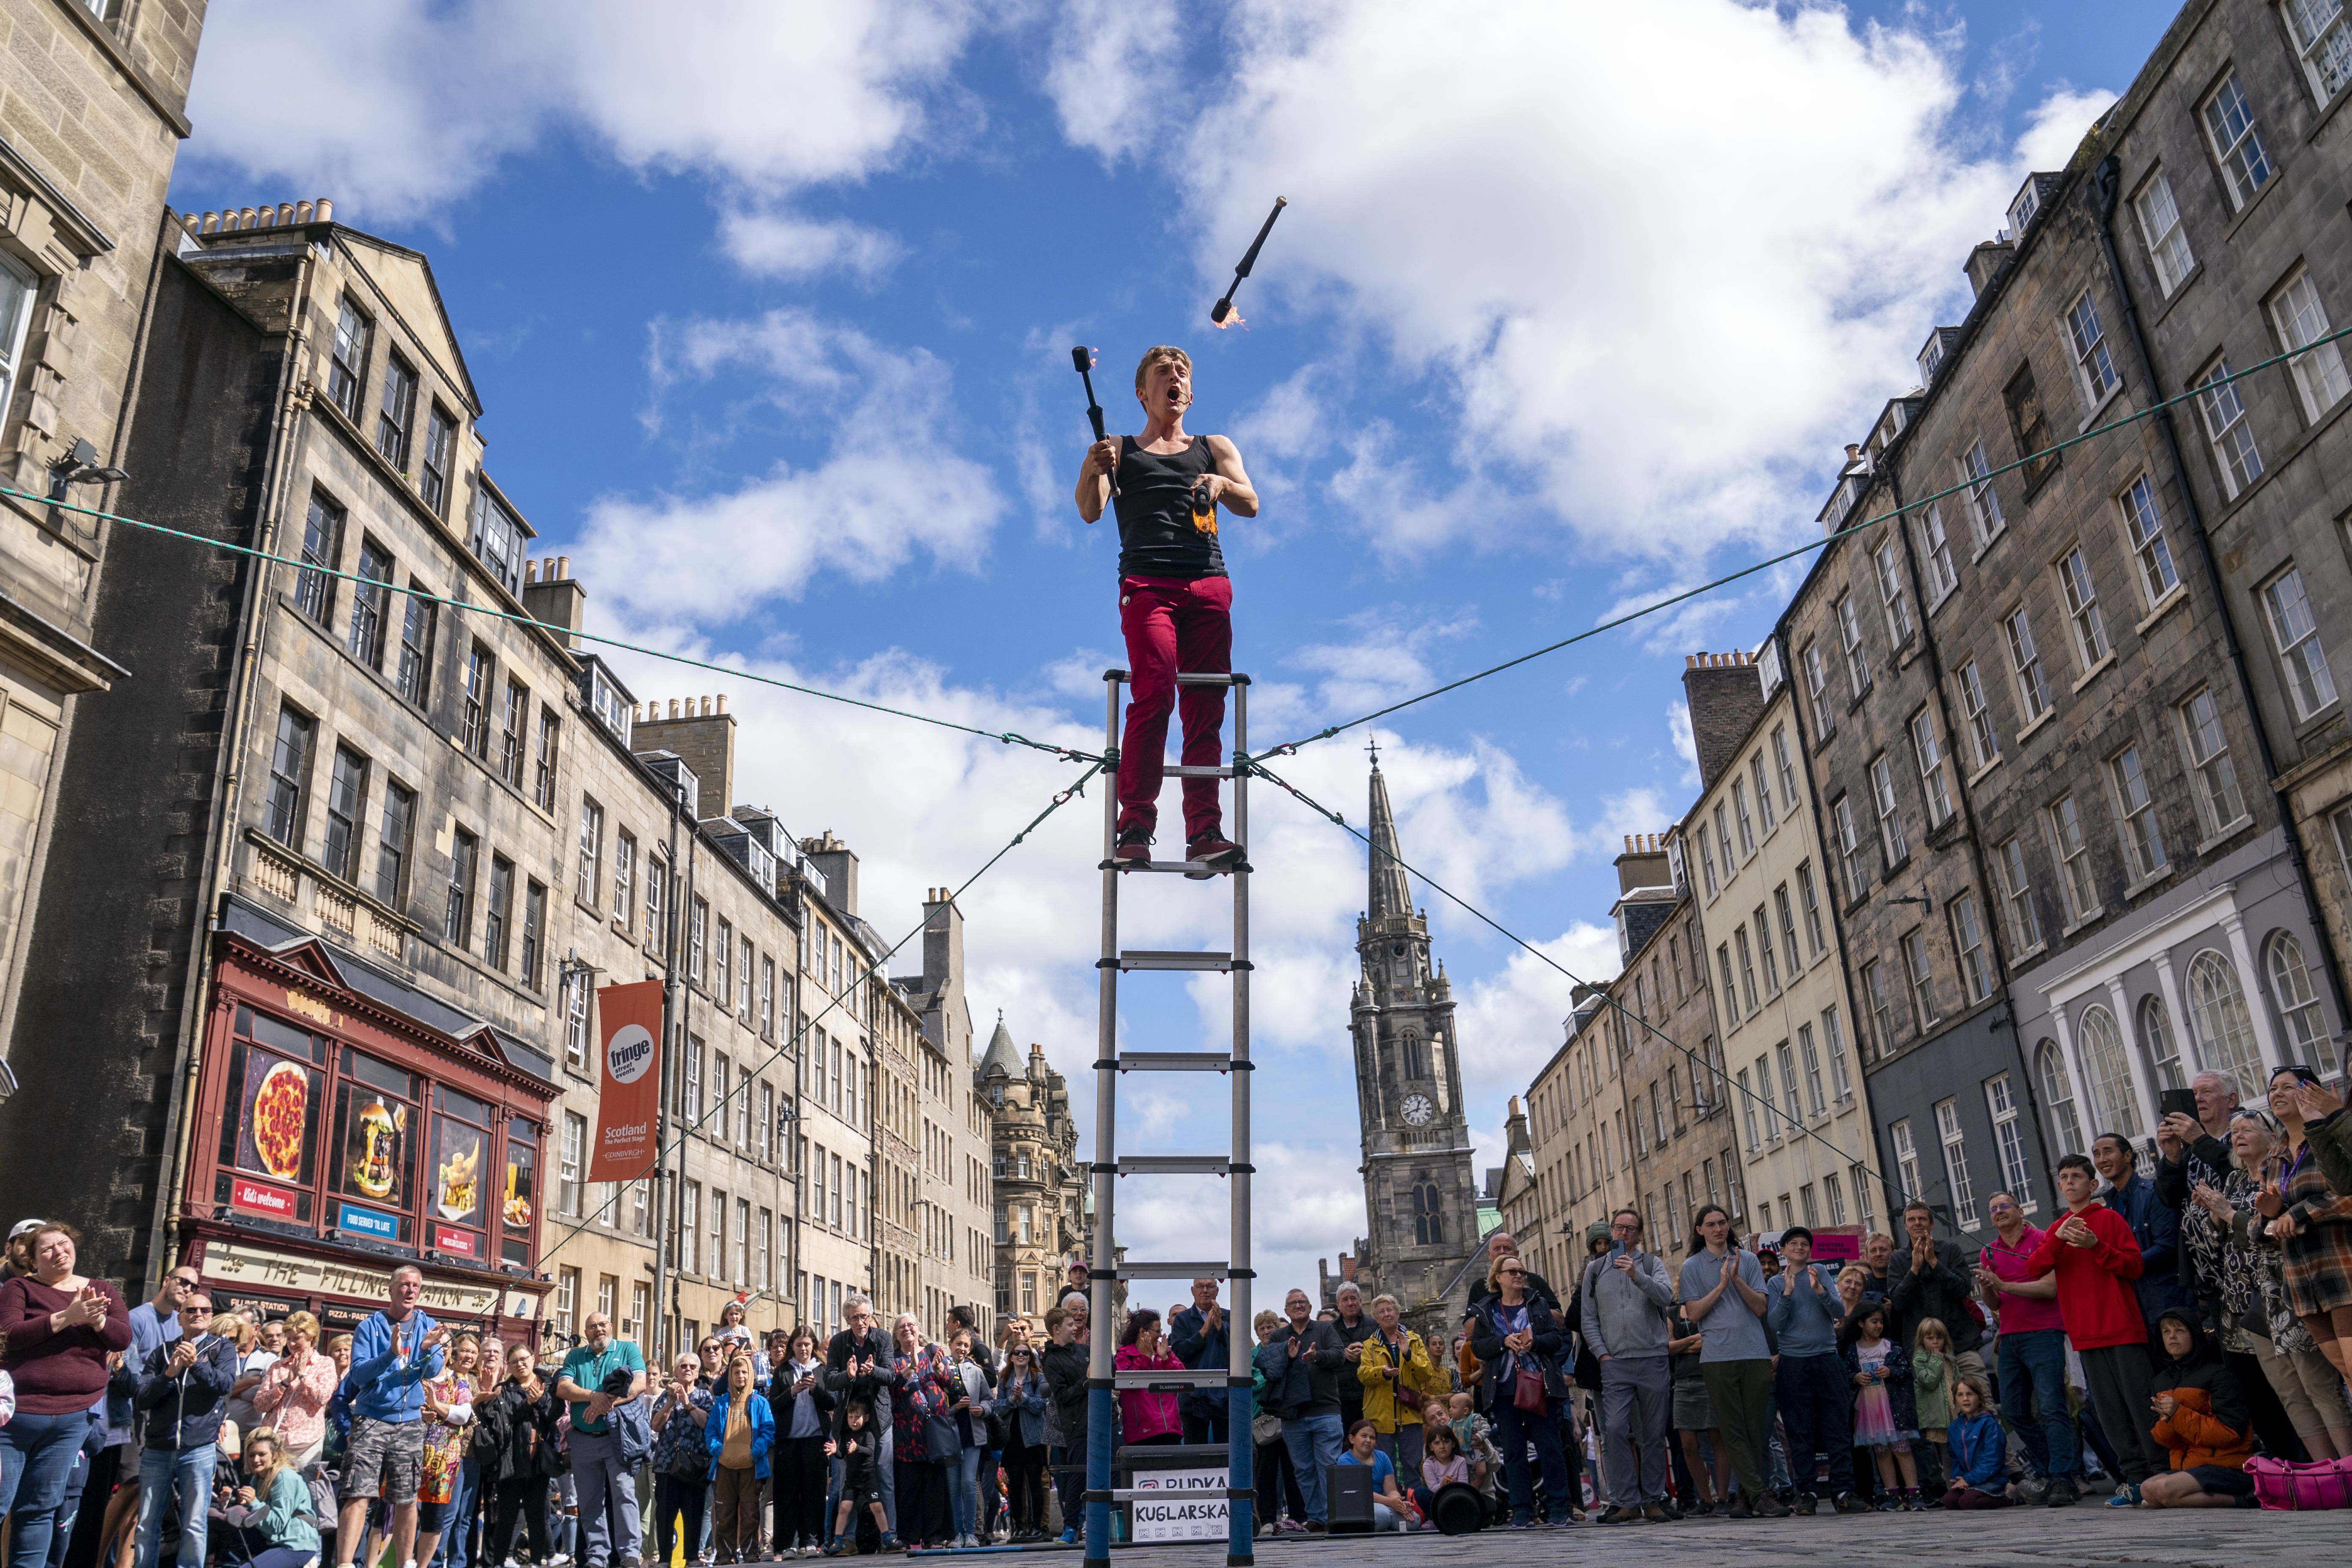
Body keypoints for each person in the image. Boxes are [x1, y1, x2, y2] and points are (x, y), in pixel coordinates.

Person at [1077, 344, 1259, 871]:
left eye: (1182, 372)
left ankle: (1204, 829)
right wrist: (1094, 469)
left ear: (1190, 393)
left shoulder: (1213, 445)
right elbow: (1091, 510)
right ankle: (1135, 821)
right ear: (1143, 393)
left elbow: (1250, 502)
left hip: (1207, 584)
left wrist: (1221, 482)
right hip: (1148, 584)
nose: (1174, 377)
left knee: (1205, 706)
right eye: (1164, 372)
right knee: (1154, 690)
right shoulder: (1119, 449)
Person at [2191, 1105, 2352, 1459]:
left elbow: (2271, 1231)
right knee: (2289, 1391)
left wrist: (2229, 1214)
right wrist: (2214, 1216)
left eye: (2248, 1128)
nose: (2239, 1135)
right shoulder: (2232, 1181)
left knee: (2318, 1384)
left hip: (2287, 1289)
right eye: (2235, 1131)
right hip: (2246, 1303)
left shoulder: (2279, 1175)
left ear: (2271, 1136)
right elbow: (2209, 1245)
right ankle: (2324, 1471)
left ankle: (2347, 1462)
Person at [2024, 1152, 2166, 1503]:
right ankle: (2133, 1479)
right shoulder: (2056, 1230)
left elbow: (2134, 1266)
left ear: (2092, 1184)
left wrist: (2096, 1246)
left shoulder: (2110, 1219)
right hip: (2085, 1333)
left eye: (2077, 1176)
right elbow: (2034, 1268)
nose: (2070, 1182)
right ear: (2059, 1186)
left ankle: (2161, 1473)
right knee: (2108, 1411)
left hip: (2121, 1326)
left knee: (2139, 1404)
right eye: (2065, 1177)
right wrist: (2059, 1239)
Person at [1, 1222, 132, 1568]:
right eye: (48, 1248)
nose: (59, 1252)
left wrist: (97, 1321)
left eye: (64, 1244)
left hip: (71, 1420)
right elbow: (10, 1334)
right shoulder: (19, 1288)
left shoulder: (101, 1289)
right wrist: (67, 1316)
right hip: (14, 1420)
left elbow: (122, 1339)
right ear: (31, 1259)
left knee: (40, 1507)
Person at [332, 1265, 450, 1568]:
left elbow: (435, 1369)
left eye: (416, 1286)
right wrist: (389, 1354)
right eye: (405, 1285)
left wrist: (426, 1348)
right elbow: (357, 1374)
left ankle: (404, 1563)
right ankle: (345, 1563)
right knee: (359, 1493)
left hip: (410, 1422)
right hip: (371, 1419)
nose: (411, 1291)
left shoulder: (427, 1324)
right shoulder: (370, 1327)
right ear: (391, 1288)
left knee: (407, 1498)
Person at [1676, 1205, 1781, 1518]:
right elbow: (1694, 1314)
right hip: (1718, 1357)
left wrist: (1735, 1279)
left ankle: (1744, 1497)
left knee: (1756, 1431)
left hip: (1754, 1352)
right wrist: (1721, 1285)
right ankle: (1760, 1495)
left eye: (1722, 1222)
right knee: (1733, 1430)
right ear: (1700, 1230)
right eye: (1710, 1224)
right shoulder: (1692, 1266)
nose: (1718, 1228)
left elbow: (1761, 1307)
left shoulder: (1747, 1260)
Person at [1972, 1191, 2076, 1505]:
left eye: (2005, 1206)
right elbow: (1994, 1303)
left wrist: (2004, 1285)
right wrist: (1989, 1288)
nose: (1999, 1212)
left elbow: (2049, 1288)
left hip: (2044, 1332)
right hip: (2010, 1336)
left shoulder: (2044, 1239)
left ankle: (2062, 1477)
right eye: (1993, 1209)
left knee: (2051, 1406)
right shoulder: (1988, 1252)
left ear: (2020, 1209)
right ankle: (2051, 1472)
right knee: (2015, 1412)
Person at [2257, 1064, 2352, 1389]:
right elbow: (2262, 1229)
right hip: (2301, 1278)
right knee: (2347, 1373)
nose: (2277, 1094)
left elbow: (2348, 1195)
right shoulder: (2272, 1158)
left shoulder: (2330, 1138)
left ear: (2310, 1093)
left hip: (2341, 1266)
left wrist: (2298, 1214)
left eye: (2287, 1087)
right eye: (2273, 1089)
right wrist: (2270, 1217)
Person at [1579, 1209, 1674, 1524]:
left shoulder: (1651, 1263)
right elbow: (1588, 1318)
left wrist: (1637, 1275)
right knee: (1616, 1429)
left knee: (1653, 1433)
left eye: (1630, 1229)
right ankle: (1628, 1500)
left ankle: (1653, 1499)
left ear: (1639, 1234)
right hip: (1615, 1362)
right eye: (1618, 1227)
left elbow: (1666, 1297)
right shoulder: (1594, 1270)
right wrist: (1602, 1353)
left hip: (1652, 1358)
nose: (1623, 1234)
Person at [129, 1292, 236, 1568]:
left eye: (204, 1309)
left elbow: (224, 1384)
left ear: (211, 1316)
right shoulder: (162, 1351)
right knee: (147, 1523)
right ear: (180, 1316)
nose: (198, 1313)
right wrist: (169, 1374)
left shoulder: (222, 1348)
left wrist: (197, 1365)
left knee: (194, 1524)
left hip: (198, 1448)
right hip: (157, 1449)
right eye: (191, 1310)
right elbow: (142, 1397)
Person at [1467, 1257, 1572, 1530]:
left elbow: (1557, 1339)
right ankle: (1522, 1510)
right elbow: (1477, 1348)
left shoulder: (1536, 1302)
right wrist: (1503, 1342)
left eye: (1522, 1271)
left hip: (1539, 1385)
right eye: (1512, 1271)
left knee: (1549, 1447)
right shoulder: (1486, 1309)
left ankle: (1559, 1507)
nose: (1519, 1275)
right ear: (1498, 1277)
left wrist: (1534, 1342)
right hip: (1503, 1389)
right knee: (1513, 1453)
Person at [1765, 1226, 1864, 1514]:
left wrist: (1820, 1290)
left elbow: (1839, 1311)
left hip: (1827, 1358)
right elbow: (1776, 1323)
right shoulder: (1775, 1282)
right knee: (1800, 1429)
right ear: (1783, 1250)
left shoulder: (1819, 1271)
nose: (1799, 1247)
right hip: (1794, 1363)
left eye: (1804, 1244)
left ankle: (1844, 1490)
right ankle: (1806, 1491)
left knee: (1837, 1427)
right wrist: (1787, 1293)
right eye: (1793, 1244)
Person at [2137, 1310, 2256, 1508]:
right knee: (2148, 1490)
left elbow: (2230, 1433)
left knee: (2165, 1490)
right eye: (2166, 1332)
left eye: (2179, 1330)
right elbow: (2164, 1441)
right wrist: (2167, 1421)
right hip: (2189, 1469)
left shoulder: (2219, 1376)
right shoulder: (2161, 1381)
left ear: (2195, 1335)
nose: (2172, 1336)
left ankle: (2246, 1499)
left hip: (2227, 1466)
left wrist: (2178, 1414)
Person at [552, 1312, 645, 1568]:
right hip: (582, 1440)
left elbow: (639, 1384)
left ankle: (629, 1554)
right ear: (586, 1332)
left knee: (624, 1495)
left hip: (617, 1437)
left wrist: (607, 1402)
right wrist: (593, 1396)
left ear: (611, 1327)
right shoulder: (575, 1356)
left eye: (603, 1325)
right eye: (592, 1327)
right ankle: (597, 1556)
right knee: (589, 1500)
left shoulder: (627, 1349)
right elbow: (563, 1388)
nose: (598, 1330)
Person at [2094, 1132, 2198, 1329]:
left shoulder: (2153, 1193)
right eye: (2097, 1154)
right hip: (2131, 1303)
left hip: (2166, 1300)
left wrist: (2123, 1265)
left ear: (2127, 1156)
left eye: (2108, 1152)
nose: (2102, 1160)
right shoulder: (2108, 1207)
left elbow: (2167, 1247)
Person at [1265, 1289, 1346, 1532]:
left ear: (1310, 1308)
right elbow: (1270, 1370)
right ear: (1286, 1311)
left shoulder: (1325, 1330)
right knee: (1303, 1470)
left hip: (1326, 1410)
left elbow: (1339, 1356)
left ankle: (1335, 1517)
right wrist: (1288, 1358)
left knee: (1329, 1467)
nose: (1298, 1305)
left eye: (1302, 1302)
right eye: (1293, 1303)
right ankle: (1317, 1518)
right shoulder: (1279, 1335)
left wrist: (1317, 1356)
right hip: (1293, 1415)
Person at [481, 1343, 560, 1568]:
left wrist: (542, 1400)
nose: (521, 1364)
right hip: (511, 1460)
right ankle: (499, 1562)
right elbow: (503, 1420)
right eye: (515, 1362)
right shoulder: (504, 1389)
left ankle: (536, 1560)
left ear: (533, 1359)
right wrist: (528, 1403)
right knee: (507, 1515)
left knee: (538, 1515)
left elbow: (556, 1413)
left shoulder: (548, 1384)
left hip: (539, 1461)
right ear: (509, 1366)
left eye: (524, 1359)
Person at [1838, 1302, 1921, 1511]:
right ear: (1860, 1323)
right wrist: (1855, 1377)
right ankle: (1891, 1493)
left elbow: (1905, 1371)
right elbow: (1844, 1375)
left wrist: (1891, 1372)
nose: (1878, 1326)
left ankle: (1914, 1492)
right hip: (1869, 1407)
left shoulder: (1890, 1346)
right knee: (1881, 1450)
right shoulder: (1852, 1350)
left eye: (1881, 1322)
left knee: (1902, 1447)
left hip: (1893, 1404)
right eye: (1874, 1322)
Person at [412, 1332, 480, 1568]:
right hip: (411, 1452)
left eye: (447, 1346)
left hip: (446, 1458)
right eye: (438, 1346)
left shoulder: (460, 1380)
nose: (443, 1350)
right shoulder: (416, 1375)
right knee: (407, 1510)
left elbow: (463, 1414)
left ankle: (429, 1564)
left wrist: (437, 1406)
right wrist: (421, 1413)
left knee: (439, 1516)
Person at [886, 1317, 953, 1550]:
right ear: (896, 1334)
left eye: (911, 1325)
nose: (907, 1329)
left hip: (934, 1431)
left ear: (919, 1328)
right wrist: (910, 1368)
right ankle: (910, 1538)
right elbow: (892, 1389)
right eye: (901, 1327)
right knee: (909, 1488)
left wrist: (940, 1369)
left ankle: (935, 1537)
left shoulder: (933, 1351)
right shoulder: (893, 1359)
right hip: (907, 1434)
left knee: (935, 1486)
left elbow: (950, 1383)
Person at [1356, 1293, 1438, 1479]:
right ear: (1377, 1319)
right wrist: (1381, 1372)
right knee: (1385, 1470)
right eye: (1381, 1312)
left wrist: (1408, 1355)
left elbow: (1427, 1373)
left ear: (1398, 1314)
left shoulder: (1415, 1340)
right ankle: (1390, 1506)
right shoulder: (1370, 1345)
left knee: (1413, 1466)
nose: (1386, 1314)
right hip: (1381, 1417)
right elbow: (1363, 1375)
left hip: (1410, 1414)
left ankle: (1414, 1506)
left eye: (1390, 1310)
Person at [767, 1329, 831, 1559]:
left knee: (814, 1492)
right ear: (792, 1347)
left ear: (813, 1345)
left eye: (807, 1344)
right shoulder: (783, 1372)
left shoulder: (822, 1369)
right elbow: (773, 1405)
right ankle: (787, 1544)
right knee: (787, 1493)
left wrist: (816, 1389)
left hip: (815, 1439)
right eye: (799, 1345)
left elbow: (832, 1401)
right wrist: (793, 1391)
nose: (803, 1349)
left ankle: (812, 1542)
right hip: (789, 1441)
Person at [217, 1428, 322, 1568]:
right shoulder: (258, 1479)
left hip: (296, 1546)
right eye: (251, 1455)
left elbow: (277, 1525)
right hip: (272, 1543)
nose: (256, 1460)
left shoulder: (285, 1478)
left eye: (262, 1455)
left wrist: (254, 1503)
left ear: (275, 1455)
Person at [703, 1354, 772, 1563]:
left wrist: (755, 1452)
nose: (740, 1376)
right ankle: (725, 1555)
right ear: (730, 1376)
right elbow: (711, 1432)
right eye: (736, 1372)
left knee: (750, 1512)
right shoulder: (722, 1403)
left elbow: (768, 1431)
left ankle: (751, 1552)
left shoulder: (760, 1403)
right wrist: (719, 1451)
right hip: (724, 1466)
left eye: (744, 1372)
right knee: (724, 1512)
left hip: (752, 1465)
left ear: (750, 1375)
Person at [250, 1313, 335, 1472]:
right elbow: (259, 1405)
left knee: (300, 1489)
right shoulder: (277, 1366)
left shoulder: (325, 1364)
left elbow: (322, 1398)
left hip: (306, 1444)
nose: (291, 1344)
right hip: (274, 1441)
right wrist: (285, 1383)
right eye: (289, 1339)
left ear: (311, 1336)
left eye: (296, 1338)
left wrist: (303, 1376)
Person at [650, 1353, 713, 1568]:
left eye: (692, 1366)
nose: (687, 1369)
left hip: (695, 1464)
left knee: (694, 1511)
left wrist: (688, 1404)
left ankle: (693, 1557)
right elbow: (656, 1426)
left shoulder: (705, 1397)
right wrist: (671, 1402)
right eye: (683, 1366)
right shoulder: (665, 1396)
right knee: (665, 1513)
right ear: (676, 1372)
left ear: (697, 1372)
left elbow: (709, 1424)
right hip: (667, 1464)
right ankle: (665, 1559)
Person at [1665, 1301, 1721, 1516]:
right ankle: (1705, 1499)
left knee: (1716, 1440)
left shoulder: (1709, 1308)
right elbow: (1668, 1347)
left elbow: (1712, 1339)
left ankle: (1724, 1497)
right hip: (1682, 1381)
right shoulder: (1672, 1312)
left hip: (1709, 1375)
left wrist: (1682, 1345)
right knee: (1687, 1445)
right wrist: (1694, 1339)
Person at [987, 1345, 1048, 1542]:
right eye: (1017, 1353)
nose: (1021, 1355)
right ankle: (1018, 1527)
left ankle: (1037, 1526)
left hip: (1034, 1438)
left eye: (1025, 1353)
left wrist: (1024, 1398)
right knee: (1015, 1484)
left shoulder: (1038, 1378)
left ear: (1031, 1357)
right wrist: (1013, 1398)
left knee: (1035, 1483)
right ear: (1011, 1357)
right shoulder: (1005, 1379)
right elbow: (997, 1407)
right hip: (1012, 1438)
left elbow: (1041, 1405)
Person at [1038, 1307, 1087, 1543]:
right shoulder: (1052, 1360)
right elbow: (1063, 1397)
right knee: (1076, 1477)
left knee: (1113, 1471)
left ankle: (1113, 1521)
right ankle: (1071, 1527)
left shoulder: (1084, 1350)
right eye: (1070, 1325)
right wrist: (1087, 1380)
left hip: (1101, 1419)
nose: (1075, 1327)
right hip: (1075, 1425)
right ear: (1057, 1330)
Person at [821, 1403, 894, 1555]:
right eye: (851, 1417)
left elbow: (870, 1451)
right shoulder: (847, 1435)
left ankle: (887, 1537)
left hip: (868, 1479)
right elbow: (842, 1455)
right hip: (852, 1481)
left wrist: (857, 1448)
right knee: (844, 1508)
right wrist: (835, 1452)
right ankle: (839, 1540)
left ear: (866, 1418)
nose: (854, 1421)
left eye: (858, 1417)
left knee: (877, 1508)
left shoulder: (868, 1434)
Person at [942, 1330, 992, 1548]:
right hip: (950, 1435)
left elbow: (989, 1400)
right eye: (958, 1344)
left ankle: (971, 1533)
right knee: (953, 1485)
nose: (961, 1348)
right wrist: (955, 1408)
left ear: (970, 1348)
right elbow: (936, 1406)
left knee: (968, 1482)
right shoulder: (941, 1368)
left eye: (966, 1345)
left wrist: (982, 1409)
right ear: (950, 1344)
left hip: (973, 1433)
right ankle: (957, 1534)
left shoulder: (976, 1371)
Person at [1167, 1279, 1229, 1447]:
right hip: (1193, 1397)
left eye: (1210, 1287)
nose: (1205, 1291)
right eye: (1200, 1287)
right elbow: (1180, 1353)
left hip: (1224, 1396)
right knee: (1195, 1453)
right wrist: (1204, 1331)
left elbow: (1237, 1352)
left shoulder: (1230, 1316)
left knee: (1227, 1452)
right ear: (1193, 1291)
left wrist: (1220, 1328)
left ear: (1217, 1291)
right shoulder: (1182, 1319)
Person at [1114, 1310, 1183, 1452]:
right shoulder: (1124, 1355)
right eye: (1157, 1331)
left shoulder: (1165, 1352)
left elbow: (1183, 1381)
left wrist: (1165, 1359)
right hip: (1141, 1433)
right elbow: (1131, 1383)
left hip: (1170, 1428)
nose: (1159, 1335)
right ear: (1142, 1332)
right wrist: (1145, 1357)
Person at [1940, 1378, 2011, 1510]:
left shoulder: (1989, 1424)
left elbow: (1993, 1460)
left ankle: (2007, 1499)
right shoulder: (1954, 1427)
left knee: (1968, 1502)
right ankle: (1973, 1491)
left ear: (1979, 1397)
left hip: (1991, 1480)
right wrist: (1960, 1479)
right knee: (1949, 1501)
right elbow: (1955, 1459)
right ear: (1955, 1399)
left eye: (1970, 1394)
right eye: (1960, 1395)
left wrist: (1969, 1479)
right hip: (1970, 1480)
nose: (1965, 1399)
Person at [1333, 1420, 1411, 1532]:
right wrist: (1390, 1503)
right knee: (1383, 1515)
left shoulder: (1382, 1457)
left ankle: (1385, 1523)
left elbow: (1391, 1490)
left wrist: (1398, 1502)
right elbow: (1361, 1494)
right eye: (1364, 1436)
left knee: (1414, 1522)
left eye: (1373, 1438)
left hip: (1385, 1503)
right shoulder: (1345, 1460)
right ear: (1352, 1439)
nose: (1368, 1440)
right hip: (1361, 1506)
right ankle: (1385, 1522)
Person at [1910, 1318, 1959, 1480]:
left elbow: (1958, 1380)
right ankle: (1951, 1488)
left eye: (1939, 1338)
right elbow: (1929, 1382)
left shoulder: (1949, 1357)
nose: (1936, 1342)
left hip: (1955, 1409)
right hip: (1940, 1413)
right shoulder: (1920, 1359)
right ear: (1922, 1340)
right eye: (1930, 1338)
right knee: (1946, 1452)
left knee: (1960, 1448)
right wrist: (1936, 1359)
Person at [1327, 1283, 1376, 1442]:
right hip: (1342, 1396)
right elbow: (1325, 1359)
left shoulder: (1374, 1325)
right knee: (1347, 1442)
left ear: (1361, 1302)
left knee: (1369, 1441)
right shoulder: (1329, 1330)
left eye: (1354, 1299)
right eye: (1345, 1300)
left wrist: (1365, 1355)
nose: (1350, 1303)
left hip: (1369, 1394)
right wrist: (1343, 1354)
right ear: (1339, 1306)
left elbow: (1386, 1355)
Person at [1414, 1421, 1468, 1527]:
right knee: (1420, 1492)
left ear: (1453, 1444)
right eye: (1437, 1443)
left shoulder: (1460, 1461)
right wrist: (1442, 1485)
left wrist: (1452, 1485)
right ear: (1431, 1447)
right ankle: (1437, 1520)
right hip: (1438, 1501)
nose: (1442, 1446)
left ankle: (1451, 1520)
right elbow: (1432, 1489)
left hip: (1457, 1500)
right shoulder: (1429, 1464)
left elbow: (1464, 1488)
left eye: (1446, 1442)